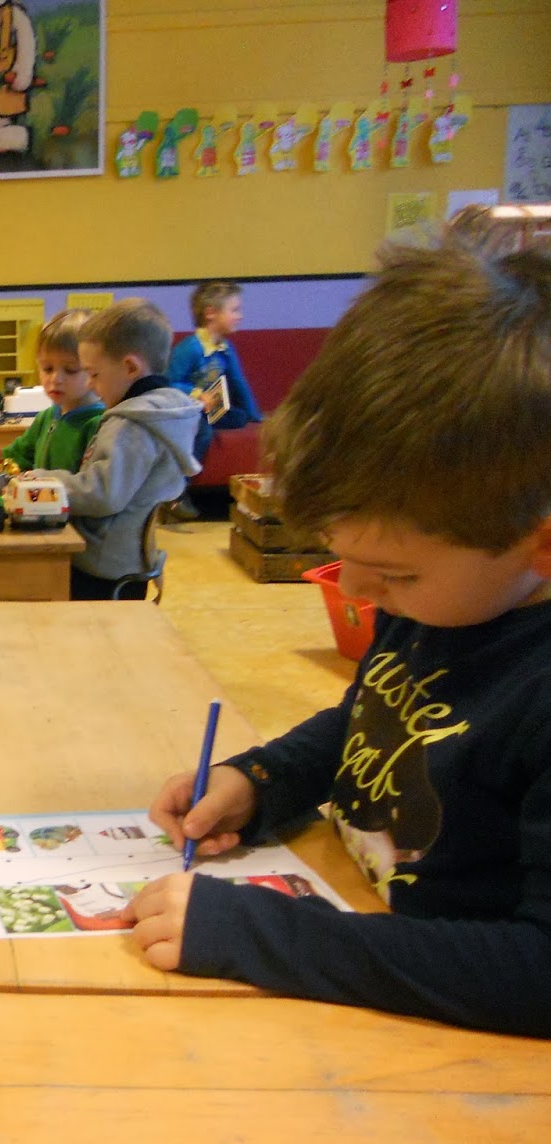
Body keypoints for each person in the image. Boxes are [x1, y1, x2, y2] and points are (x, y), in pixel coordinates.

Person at [124, 225, 551, 1038]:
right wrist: (264, 779)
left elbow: (538, 972)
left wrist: (262, 934)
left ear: (543, 544)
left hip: (451, 1047)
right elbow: (379, 719)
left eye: (395, 574)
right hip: (364, 938)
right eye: (338, 551)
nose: (353, 591)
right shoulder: (454, 599)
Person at [25, 298, 201, 600]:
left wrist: (44, 481)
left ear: (130, 367)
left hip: (102, 564)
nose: (92, 385)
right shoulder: (163, 412)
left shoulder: (131, 424)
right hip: (128, 558)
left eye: (94, 374)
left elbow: (102, 494)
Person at [0, 308, 104, 479]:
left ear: (95, 369)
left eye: (71, 370)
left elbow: (90, 487)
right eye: (47, 368)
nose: (55, 379)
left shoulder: (99, 425)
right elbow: (14, 458)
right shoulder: (46, 417)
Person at [166, 281, 264, 518]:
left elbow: (238, 382)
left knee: (238, 417)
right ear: (211, 313)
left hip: (207, 409)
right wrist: (196, 394)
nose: (240, 316)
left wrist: (256, 417)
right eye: (234, 310)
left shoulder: (224, 348)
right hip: (184, 409)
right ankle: (176, 491)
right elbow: (168, 382)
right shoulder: (191, 348)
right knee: (203, 432)